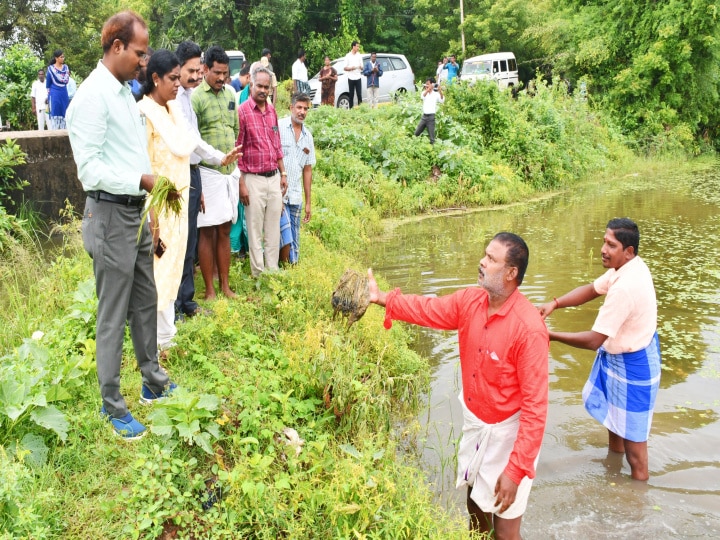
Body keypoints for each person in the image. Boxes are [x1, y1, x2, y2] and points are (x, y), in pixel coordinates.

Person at [367, 232, 549, 538]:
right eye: (484, 254)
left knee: (505, 530)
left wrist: (515, 470)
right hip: (478, 426)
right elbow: (429, 309)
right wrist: (384, 298)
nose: (482, 261)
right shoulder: (471, 301)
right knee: (476, 511)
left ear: (511, 272)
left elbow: (535, 410)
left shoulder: (529, 329)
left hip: (509, 435)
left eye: (491, 259)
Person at [66, 10, 175, 440]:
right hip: (109, 214)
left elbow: (131, 155)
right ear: (116, 47)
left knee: (144, 300)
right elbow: (89, 172)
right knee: (112, 314)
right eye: (139, 53)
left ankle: (152, 381)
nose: (144, 62)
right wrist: (142, 180)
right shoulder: (91, 97)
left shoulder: (124, 93)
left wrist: (147, 196)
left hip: (134, 213)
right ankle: (112, 406)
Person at [538, 217, 660, 482]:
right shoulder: (625, 268)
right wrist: (555, 303)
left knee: (636, 453)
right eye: (604, 242)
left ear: (628, 251)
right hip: (622, 355)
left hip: (635, 364)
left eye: (611, 245)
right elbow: (592, 290)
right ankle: (613, 470)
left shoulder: (626, 287)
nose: (604, 249)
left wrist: (550, 336)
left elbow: (595, 340)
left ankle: (635, 505)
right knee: (614, 424)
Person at [173, 41, 239, 320]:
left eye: (198, 69)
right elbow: (193, 140)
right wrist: (217, 158)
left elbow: (233, 128)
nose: (198, 75)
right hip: (201, 170)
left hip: (213, 171)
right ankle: (187, 298)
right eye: (194, 70)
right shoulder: (186, 97)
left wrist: (226, 161)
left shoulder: (222, 94)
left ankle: (189, 298)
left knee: (213, 232)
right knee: (197, 235)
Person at [191, 45, 240, 299]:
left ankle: (225, 286)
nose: (221, 78)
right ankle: (210, 290)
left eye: (225, 73)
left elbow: (235, 129)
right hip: (208, 172)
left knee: (224, 229)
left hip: (229, 173)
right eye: (217, 73)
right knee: (207, 230)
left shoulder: (231, 93)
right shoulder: (195, 98)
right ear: (205, 69)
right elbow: (193, 141)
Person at [236, 66, 287, 277]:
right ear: (251, 85)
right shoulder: (243, 112)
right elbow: (237, 150)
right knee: (255, 230)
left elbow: (277, 145)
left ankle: (272, 272)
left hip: (273, 177)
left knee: (273, 229)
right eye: (259, 86)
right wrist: (241, 184)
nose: (263, 90)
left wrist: (283, 174)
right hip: (253, 179)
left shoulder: (272, 111)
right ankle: (258, 274)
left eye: (267, 87)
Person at [279, 92, 315, 264]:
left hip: (296, 194)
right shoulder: (279, 128)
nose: (302, 112)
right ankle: (285, 268)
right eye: (299, 107)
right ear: (291, 107)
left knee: (294, 232)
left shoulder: (308, 137)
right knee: (284, 232)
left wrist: (308, 202)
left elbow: (307, 170)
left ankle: (293, 266)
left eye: (305, 109)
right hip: (278, 192)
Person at [414, 77, 444, 144]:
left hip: (431, 117)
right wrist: (428, 90)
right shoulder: (424, 92)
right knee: (416, 133)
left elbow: (442, 100)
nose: (426, 85)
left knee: (432, 137)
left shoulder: (436, 94)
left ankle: (432, 149)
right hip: (424, 117)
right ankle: (414, 144)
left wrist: (440, 90)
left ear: (432, 85)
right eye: (426, 84)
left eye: (428, 84)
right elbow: (422, 97)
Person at [46, 49, 70, 129]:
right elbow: (48, 84)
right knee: (55, 112)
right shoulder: (50, 69)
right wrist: (49, 96)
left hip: (63, 92)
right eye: (61, 57)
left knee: (65, 111)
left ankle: (64, 130)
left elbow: (66, 80)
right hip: (54, 93)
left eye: (63, 57)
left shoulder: (66, 68)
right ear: (56, 58)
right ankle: (55, 131)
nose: (63, 58)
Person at [344, 41, 363, 108]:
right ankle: (351, 109)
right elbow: (345, 68)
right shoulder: (348, 56)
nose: (358, 48)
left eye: (358, 46)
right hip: (351, 77)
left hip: (358, 77)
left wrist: (361, 67)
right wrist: (351, 68)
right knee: (351, 95)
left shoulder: (359, 55)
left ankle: (361, 109)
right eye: (357, 46)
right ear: (353, 47)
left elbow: (362, 67)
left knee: (359, 94)